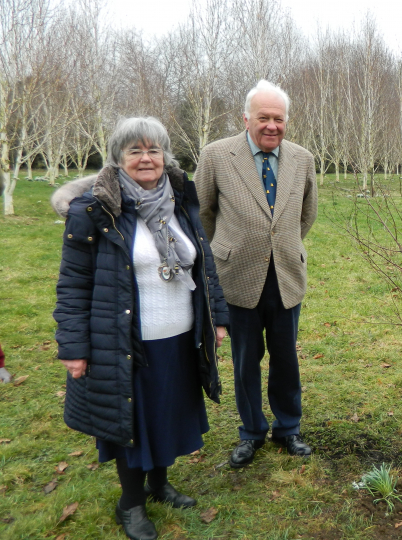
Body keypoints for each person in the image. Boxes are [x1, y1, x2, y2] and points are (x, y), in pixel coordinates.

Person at [52, 117, 229, 540]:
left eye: (154, 150)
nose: (146, 158)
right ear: (117, 159)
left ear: (165, 156)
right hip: (124, 341)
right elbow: (73, 284)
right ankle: (130, 504)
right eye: (135, 151)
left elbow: (204, 265)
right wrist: (73, 347)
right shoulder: (96, 211)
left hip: (179, 337)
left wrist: (217, 317)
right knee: (131, 421)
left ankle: (159, 484)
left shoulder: (180, 199)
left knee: (165, 413)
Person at [194, 80, 317, 467]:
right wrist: (224, 250)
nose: (271, 126)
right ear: (245, 118)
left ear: (286, 121)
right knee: (246, 360)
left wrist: (283, 243)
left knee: (286, 359)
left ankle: (288, 428)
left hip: (286, 277)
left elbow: (306, 214)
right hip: (237, 278)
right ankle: (251, 432)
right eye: (263, 117)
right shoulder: (216, 156)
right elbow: (203, 213)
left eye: (278, 119)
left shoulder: (302, 159)